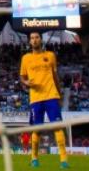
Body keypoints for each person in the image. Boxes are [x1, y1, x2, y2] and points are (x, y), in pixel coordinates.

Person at [19, 32, 69, 169]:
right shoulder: (26, 58)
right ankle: (34, 158)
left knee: (57, 127)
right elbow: (22, 77)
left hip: (51, 96)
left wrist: (60, 94)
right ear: (30, 42)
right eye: (32, 38)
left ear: (41, 40)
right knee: (37, 130)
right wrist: (26, 83)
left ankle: (64, 160)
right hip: (35, 98)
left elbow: (54, 75)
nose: (34, 40)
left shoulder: (50, 56)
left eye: (36, 38)